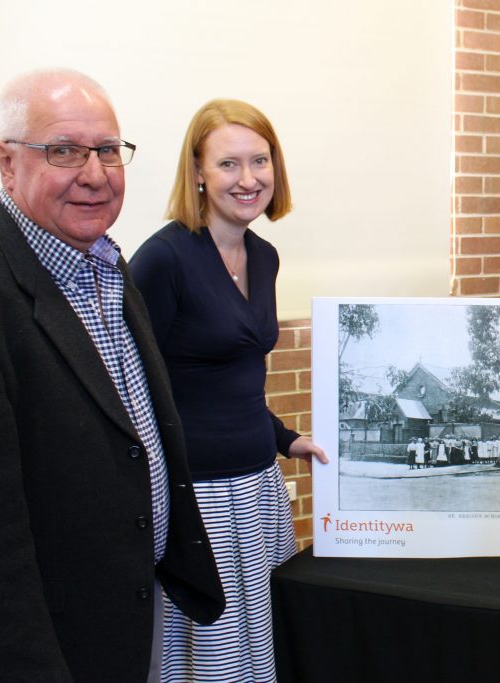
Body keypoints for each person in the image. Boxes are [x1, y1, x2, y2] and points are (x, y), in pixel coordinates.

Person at [0, 69, 224, 681]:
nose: (95, 174)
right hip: (46, 645)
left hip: (128, 616)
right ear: (6, 162)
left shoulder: (105, 264)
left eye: (107, 150)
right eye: (65, 151)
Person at [128, 99, 328, 683]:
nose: (248, 180)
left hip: (258, 490)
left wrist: (288, 440)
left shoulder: (264, 257)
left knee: (260, 649)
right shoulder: (163, 259)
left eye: (260, 161)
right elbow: (133, 386)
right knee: (208, 660)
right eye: (228, 164)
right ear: (197, 172)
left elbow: (234, 382)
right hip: (199, 498)